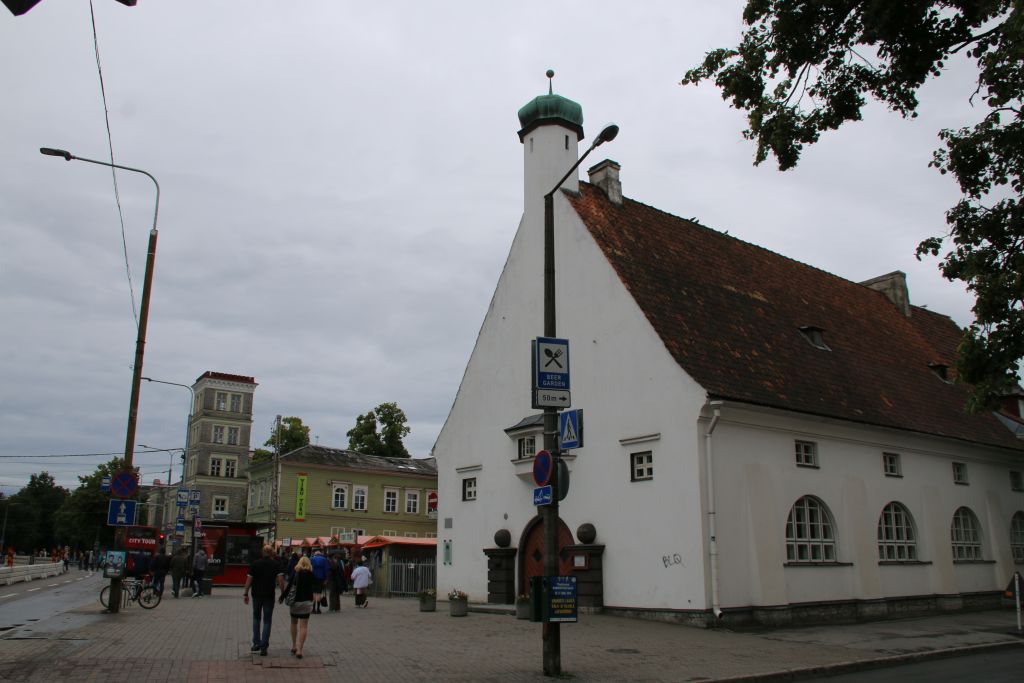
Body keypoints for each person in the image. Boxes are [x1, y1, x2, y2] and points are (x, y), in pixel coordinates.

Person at [243, 544, 285, 657]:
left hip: (256, 595)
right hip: (269, 595)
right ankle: (264, 647)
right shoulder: (276, 564)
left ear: (262, 553)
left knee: (256, 618)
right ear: (271, 553)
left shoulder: (255, 564)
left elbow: (249, 579)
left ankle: (256, 643)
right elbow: (281, 580)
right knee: (267, 620)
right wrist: (282, 594)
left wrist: (245, 593)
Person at [279, 555, 314, 659]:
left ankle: (294, 645)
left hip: (295, 602)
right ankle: (300, 650)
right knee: (304, 626)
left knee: (293, 623)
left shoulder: (296, 573)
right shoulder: (311, 574)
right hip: (306, 602)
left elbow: (289, 586)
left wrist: (282, 596)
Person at [310, 549, 328, 614]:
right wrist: (326, 579)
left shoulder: (311, 559)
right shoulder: (324, 559)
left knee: (313, 593)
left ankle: (313, 609)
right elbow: (326, 570)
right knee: (319, 593)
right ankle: (318, 609)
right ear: (320, 554)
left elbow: (309, 569)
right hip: (321, 578)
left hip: (313, 578)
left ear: (315, 554)